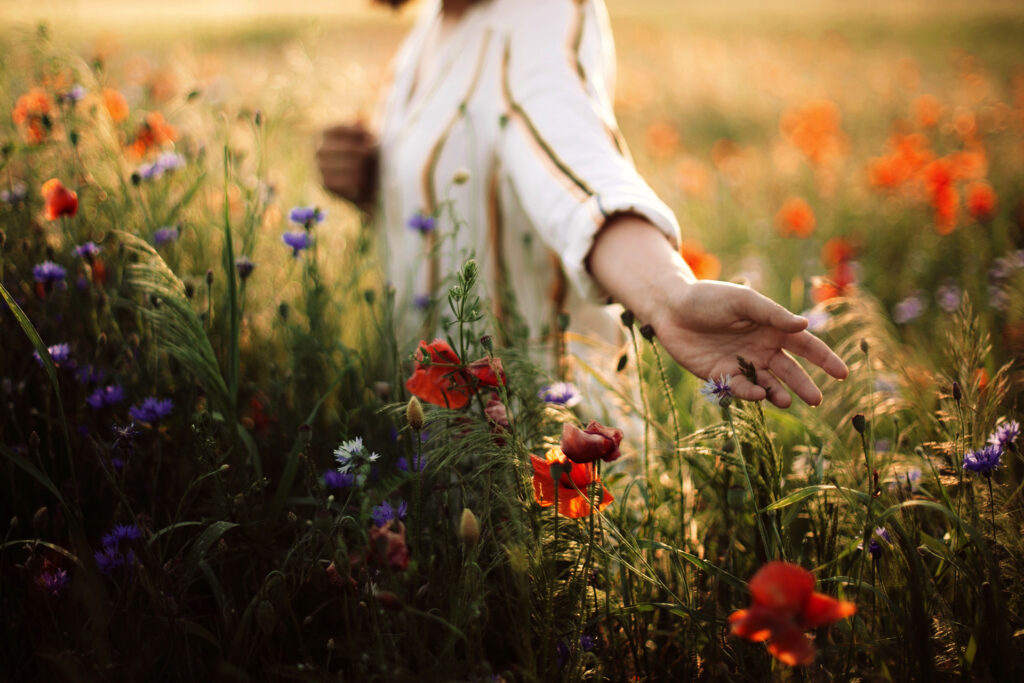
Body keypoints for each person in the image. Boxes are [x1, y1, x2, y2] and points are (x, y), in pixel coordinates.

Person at [317, 0, 848, 409]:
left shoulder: (538, 12)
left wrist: (667, 295)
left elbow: (573, 167)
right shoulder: (430, 28)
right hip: (436, 440)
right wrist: (368, 179)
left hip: (552, 458)